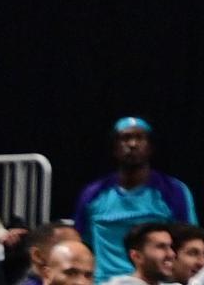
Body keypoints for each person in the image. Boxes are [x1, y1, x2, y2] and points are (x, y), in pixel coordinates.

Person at [71, 119, 197, 282]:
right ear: (114, 148)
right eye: (125, 138)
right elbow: (81, 243)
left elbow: (189, 242)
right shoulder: (92, 193)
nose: (132, 144)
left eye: (140, 138)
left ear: (150, 147)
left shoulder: (174, 191)